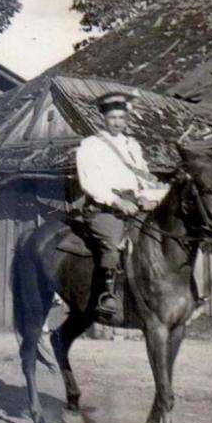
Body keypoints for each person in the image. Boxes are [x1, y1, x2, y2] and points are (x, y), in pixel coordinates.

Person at [76, 91, 168, 318]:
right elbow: (90, 183)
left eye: (121, 118)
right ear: (103, 119)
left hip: (134, 204)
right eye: (112, 118)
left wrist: (149, 196)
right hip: (105, 208)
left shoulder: (133, 145)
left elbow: (143, 176)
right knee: (114, 242)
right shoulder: (90, 145)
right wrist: (117, 202)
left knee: (161, 236)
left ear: (127, 119)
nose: (117, 122)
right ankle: (109, 294)